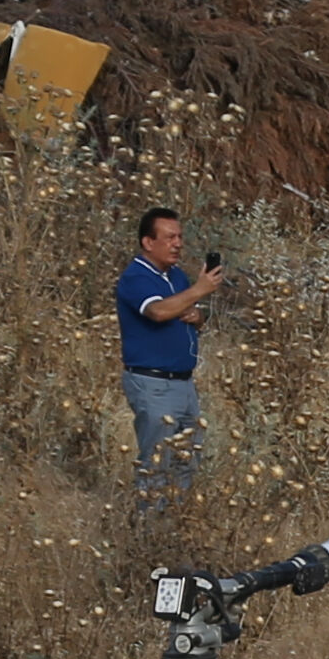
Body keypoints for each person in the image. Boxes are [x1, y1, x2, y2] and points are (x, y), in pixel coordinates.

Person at [116, 206, 226, 506]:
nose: (178, 243)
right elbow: (158, 310)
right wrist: (200, 289)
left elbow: (181, 309)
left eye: (179, 237)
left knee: (186, 463)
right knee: (157, 465)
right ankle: (145, 538)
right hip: (153, 384)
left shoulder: (175, 276)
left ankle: (173, 535)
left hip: (183, 384)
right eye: (169, 237)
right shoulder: (136, 277)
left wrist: (197, 316)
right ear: (148, 243)